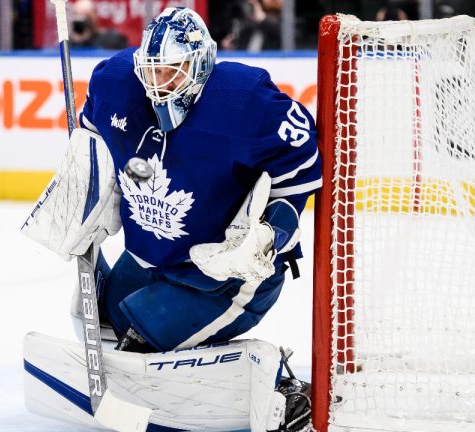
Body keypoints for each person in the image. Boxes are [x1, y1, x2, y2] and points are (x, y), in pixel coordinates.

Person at [23, 7, 319, 431]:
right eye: (152, 72)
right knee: (104, 322)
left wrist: (266, 237)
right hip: (152, 255)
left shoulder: (244, 101)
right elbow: (92, 149)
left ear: (199, 67)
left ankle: (278, 385)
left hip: (224, 272)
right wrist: (82, 193)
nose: (159, 85)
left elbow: (303, 174)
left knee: (144, 339)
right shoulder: (115, 82)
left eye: (173, 73)